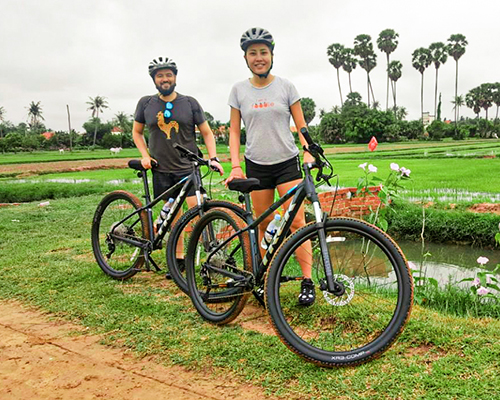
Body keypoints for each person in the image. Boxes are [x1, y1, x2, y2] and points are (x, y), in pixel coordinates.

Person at [226, 28, 315, 305]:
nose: (259, 58)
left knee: (297, 223)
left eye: (263, 52)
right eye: (253, 53)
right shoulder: (239, 90)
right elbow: (234, 133)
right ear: (246, 58)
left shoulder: (286, 87)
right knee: (263, 224)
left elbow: (301, 125)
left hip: (287, 163)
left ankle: (307, 281)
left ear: (272, 55)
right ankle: (265, 279)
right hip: (256, 165)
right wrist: (236, 166)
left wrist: (308, 151)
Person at [132, 56, 224, 278]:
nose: (165, 79)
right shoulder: (146, 103)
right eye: (160, 75)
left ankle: (206, 257)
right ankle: (179, 259)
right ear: (154, 79)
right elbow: (136, 132)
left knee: (196, 212)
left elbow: (207, 133)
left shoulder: (189, 103)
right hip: (161, 169)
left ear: (175, 77)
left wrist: (213, 157)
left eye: (168, 75)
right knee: (174, 217)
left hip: (187, 167)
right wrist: (144, 156)